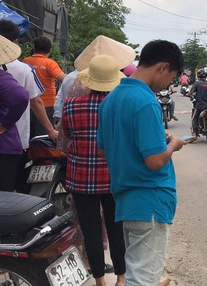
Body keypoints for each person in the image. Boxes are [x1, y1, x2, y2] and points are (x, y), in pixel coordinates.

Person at [97, 40, 186, 286]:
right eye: (172, 76)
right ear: (162, 67)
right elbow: (156, 160)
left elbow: (106, 151)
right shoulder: (146, 102)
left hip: (127, 200)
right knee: (143, 279)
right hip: (150, 201)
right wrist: (173, 144)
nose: (169, 83)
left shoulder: (111, 99)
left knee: (136, 272)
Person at [61, 55, 126, 286]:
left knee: (91, 232)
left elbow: (65, 140)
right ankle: (121, 278)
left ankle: (99, 280)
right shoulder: (119, 106)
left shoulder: (70, 104)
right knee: (117, 229)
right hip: (113, 178)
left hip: (80, 178)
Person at [0, 34, 30, 191]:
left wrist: (5, 123)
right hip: (5, 147)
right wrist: (6, 123)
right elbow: (21, 96)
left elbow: (20, 97)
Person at [22, 37, 66, 136]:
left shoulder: (24, 61)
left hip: (27, 104)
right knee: (42, 137)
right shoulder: (49, 63)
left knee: (28, 134)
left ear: (34, 49)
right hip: (46, 106)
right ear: (50, 50)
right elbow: (64, 79)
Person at [188, 69, 207, 139]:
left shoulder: (197, 83)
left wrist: (189, 95)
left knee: (194, 118)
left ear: (198, 76)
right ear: (206, 76)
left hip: (199, 106)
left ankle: (194, 134)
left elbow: (190, 93)